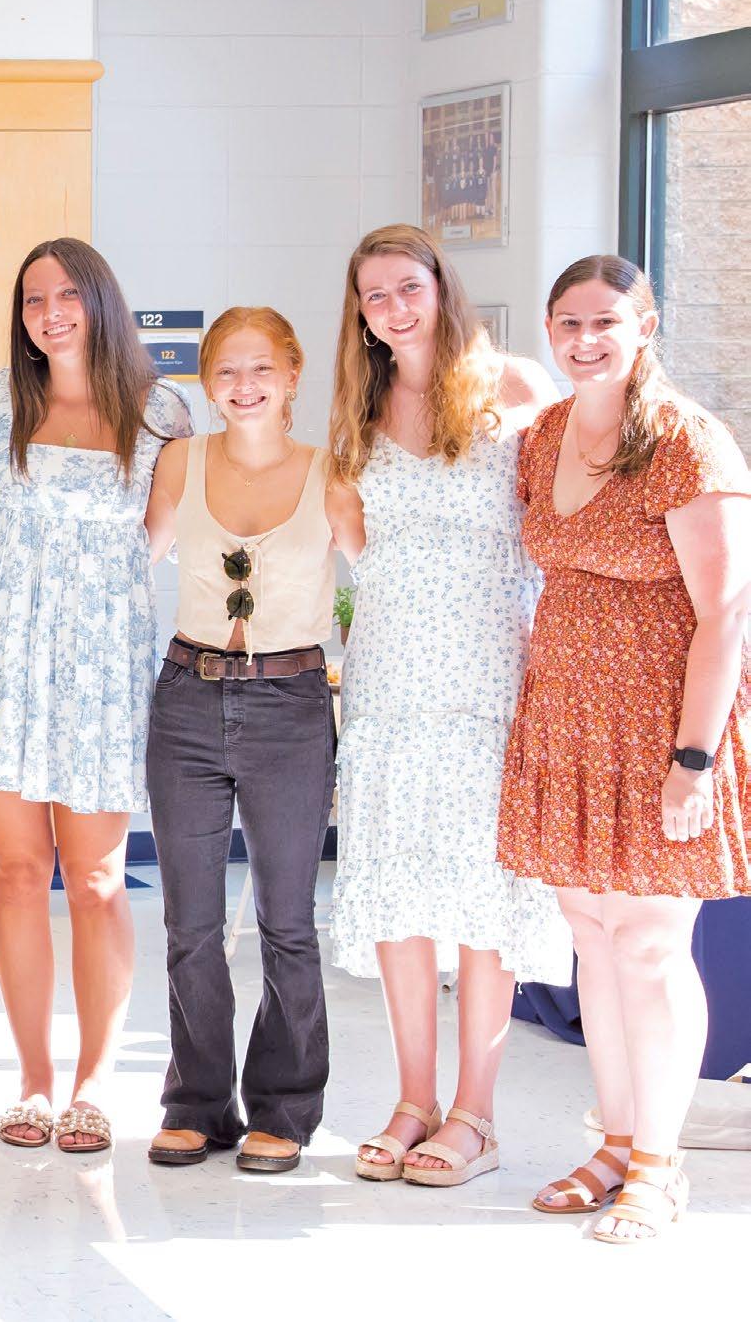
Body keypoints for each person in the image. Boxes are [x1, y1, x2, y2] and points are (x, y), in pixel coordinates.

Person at [503, 254, 751, 1244]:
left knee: (650, 944)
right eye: (568, 322)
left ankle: (658, 1163)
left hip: (661, 726)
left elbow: (727, 612)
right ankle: (613, 1142)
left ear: (645, 326)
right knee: (594, 940)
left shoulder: (688, 440)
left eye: (606, 320)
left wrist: (695, 759)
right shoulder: (547, 433)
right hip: (567, 718)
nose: (585, 339)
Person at [0, 237, 193, 1156]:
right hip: (1, 654)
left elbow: (158, 539)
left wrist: (83, 604)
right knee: (14, 874)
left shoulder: (160, 411)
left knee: (95, 879)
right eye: (33, 299)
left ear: (100, 299)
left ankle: (93, 1082)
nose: (50, 313)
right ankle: (35, 1079)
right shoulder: (1, 401)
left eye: (67, 294)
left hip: (98, 667)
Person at [320, 225, 567, 1187]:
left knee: (481, 895)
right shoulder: (358, 410)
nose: (394, 308)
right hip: (389, 680)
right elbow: (357, 543)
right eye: (374, 295)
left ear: (440, 285)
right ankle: (413, 1098)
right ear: (360, 313)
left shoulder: (516, 388)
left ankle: (477, 1114)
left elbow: (556, 520)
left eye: (407, 286)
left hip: (490, 677)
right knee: (397, 888)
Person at [138, 308, 339, 1175]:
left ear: (293, 374)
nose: (243, 385)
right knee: (190, 920)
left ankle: (284, 1108)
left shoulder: (333, 472)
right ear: (206, 380)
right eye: (226, 369)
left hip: (291, 702)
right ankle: (197, 1102)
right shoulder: (179, 460)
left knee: (287, 919)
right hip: (187, 697)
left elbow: (386, 574)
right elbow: (131, 558)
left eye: (261, 368)